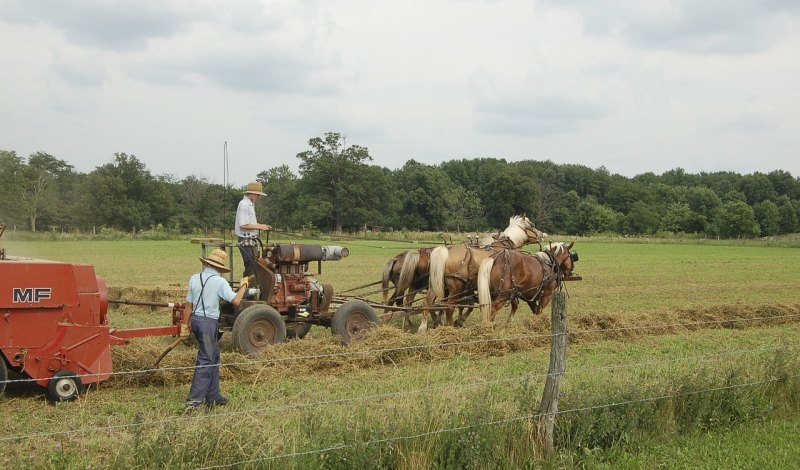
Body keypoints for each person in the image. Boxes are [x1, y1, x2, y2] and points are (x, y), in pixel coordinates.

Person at [181, 248, 250, 410]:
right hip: (208, 324)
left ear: (206, 264)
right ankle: (194, 401)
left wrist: (184, 326)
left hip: (196, 321)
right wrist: (244, 285)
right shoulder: (220, 282)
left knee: (214, 356)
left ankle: (213, 396)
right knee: (205, 359)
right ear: (219, 268)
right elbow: (236, 300)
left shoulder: (194, 278)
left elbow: (188, 305)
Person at [235, 181, 272, 275]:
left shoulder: (250, 204)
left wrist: (263, 226)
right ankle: (246, 286)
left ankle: (251, 286)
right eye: (257, 195)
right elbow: (243, 225)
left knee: (255, 265)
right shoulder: (244, 204)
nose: (259, 197)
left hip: (251, 239)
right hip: (245, 239)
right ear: (251, 193)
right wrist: (260, 227)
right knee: (251, 266)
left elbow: (250, 223)